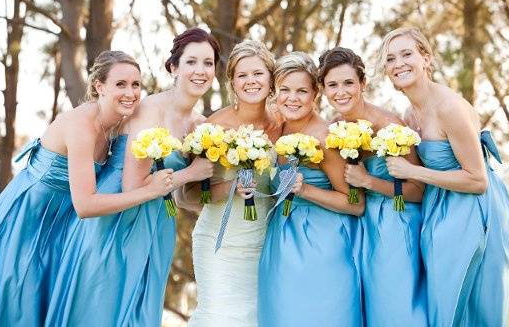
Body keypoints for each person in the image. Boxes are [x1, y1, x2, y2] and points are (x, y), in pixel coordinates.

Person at [0, 51, 172, 327]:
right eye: (121, 84)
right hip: (27, 218)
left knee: (46, 306)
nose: (130, 92)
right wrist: (150, 191)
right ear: (99, 86)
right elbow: (85, 205)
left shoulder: (119, 124)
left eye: (136, 85)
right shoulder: (81, 124)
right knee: (18, 306)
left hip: (62, 221)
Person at [44, 28, 220, 326]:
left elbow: (189, 196)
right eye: (191, 62)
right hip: (118, 215)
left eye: (208, 63)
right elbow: (133, 185)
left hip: (159, 220)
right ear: (174, 67)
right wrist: (191, 172)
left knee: (141, 310)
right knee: (103, 308)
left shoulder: (199, 125)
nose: (200, 71)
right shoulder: (150, 109)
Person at [379, 27, 509, 326]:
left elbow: (477, 180)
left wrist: (413, 172)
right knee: (442, 303)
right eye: (391, 59)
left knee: (469, 303)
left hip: (476, 209)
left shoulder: (449, 107)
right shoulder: (410, 112)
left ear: (425, 58)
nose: (399, 63)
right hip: (440, 207)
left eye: (407, 54)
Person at [319, 46, 427, 326]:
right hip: (360, 228)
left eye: (348, 83)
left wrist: (368, 181)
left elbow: (417, 190)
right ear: (323, 89)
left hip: (395, 223)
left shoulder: (390, 126)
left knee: (395, 306)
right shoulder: (334, 127)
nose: (340, 91)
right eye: (332, 85)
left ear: (363, 84)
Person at [179, 40, 282, 326]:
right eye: (242, 75)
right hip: (219, 241)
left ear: (271, 79)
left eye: (258, 74)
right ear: (232, 83)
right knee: (219, 317)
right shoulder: (211, 129)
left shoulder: (283, 124)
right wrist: (231, 187)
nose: (251, 81)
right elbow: (186, 197)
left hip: (266, 242)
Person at [258, 52, 365, 327]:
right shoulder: (274, 132)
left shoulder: (325, 138)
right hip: (279, 243)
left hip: (322, 245)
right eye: (285, 90)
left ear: (315, 93)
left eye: (302, 91)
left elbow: (356, 204)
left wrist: (306, 191)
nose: (292, 98)